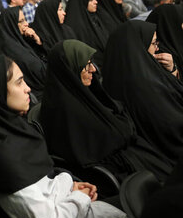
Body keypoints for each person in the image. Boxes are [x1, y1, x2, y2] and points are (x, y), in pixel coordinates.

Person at [0, 55, 128, 218]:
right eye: (19, 82)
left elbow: (43, 185)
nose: (28, 88)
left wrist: (70, 186)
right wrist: (79, 197)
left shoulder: (14, 132)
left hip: (73, 209)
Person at [40, 40, 172, 182]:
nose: (93, 70)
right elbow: (116, 134)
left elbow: (118, 117)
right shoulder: (64, 109)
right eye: (86, 65)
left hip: (127, 156)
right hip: (112, 172)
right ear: (70, 68)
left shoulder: (81, 93)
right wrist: (124, 125)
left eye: (92, 63)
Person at [103, 20, 183, 165]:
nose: (157, 49)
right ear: (138, 47)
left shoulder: (144, 71)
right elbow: (170, 124)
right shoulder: (140, 84)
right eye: (153, 44)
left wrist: (172, 71)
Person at [0, 7, 46, 100]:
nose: (26, 24)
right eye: (21, 21)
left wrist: (38, 42)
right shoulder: (13, 50)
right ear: (12, 25)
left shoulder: (19, 42)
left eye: (25, 20)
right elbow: (42, 73)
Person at [65, 0, 108, 68]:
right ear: (83, 2)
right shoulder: (75, 26)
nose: (96, 2)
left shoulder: (95, 19)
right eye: (91, 0)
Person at [146, 4, 183, 71]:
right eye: (181, 23)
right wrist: (173, 70)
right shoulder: (160, 55)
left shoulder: (175, 44)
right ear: (170, 26)